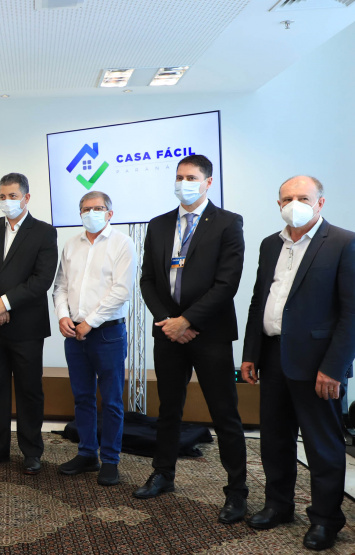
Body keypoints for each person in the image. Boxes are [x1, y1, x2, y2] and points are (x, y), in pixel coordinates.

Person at [241, 176, 355, 551]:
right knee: (274, 440)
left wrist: (334, 367)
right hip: (273, 356)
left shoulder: (343, 242)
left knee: (323, 447)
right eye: (287, 198)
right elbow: (261, 301)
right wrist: (250, 354)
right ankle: (278, 505)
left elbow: (352, 313)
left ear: (320, 202)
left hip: (319, 364)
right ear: (278, 204)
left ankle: (326, 520)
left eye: (303, 197)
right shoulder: (270, 244)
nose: (295, 204)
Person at [133, 154, 249, 525]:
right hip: (168, 332)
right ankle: (163, 474)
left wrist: (188, 320)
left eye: (192, 177)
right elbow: (148, 279)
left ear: (208, 182)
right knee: (169, 409)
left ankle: (236, 493)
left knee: (224, 413)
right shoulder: (159, 224)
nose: (185, 182)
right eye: (180, 176)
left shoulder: (228, 223)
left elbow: (227, 283)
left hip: (209, 333)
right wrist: (169, 321)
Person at [0, 172, 57, 475]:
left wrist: (4, 303)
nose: (7, 202)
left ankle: (32, 451)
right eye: (3, 196)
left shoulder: (44, 232)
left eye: (13, 196)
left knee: (30, 390)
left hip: (26, 326)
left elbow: (41, 280)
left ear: (27, 198)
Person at [53, 191, 135, 486]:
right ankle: (87, 453)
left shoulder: (122, 243)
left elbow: (121, 291)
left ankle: (110, 459)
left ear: (109, 213)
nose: (91, 213)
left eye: (97, 208)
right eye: (85, 209)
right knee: (83, 397)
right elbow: (60, 286)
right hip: (73, 333)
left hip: (108, 332)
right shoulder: (71, 244)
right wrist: (63, 314)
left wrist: (91, 321)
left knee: (111, 400)